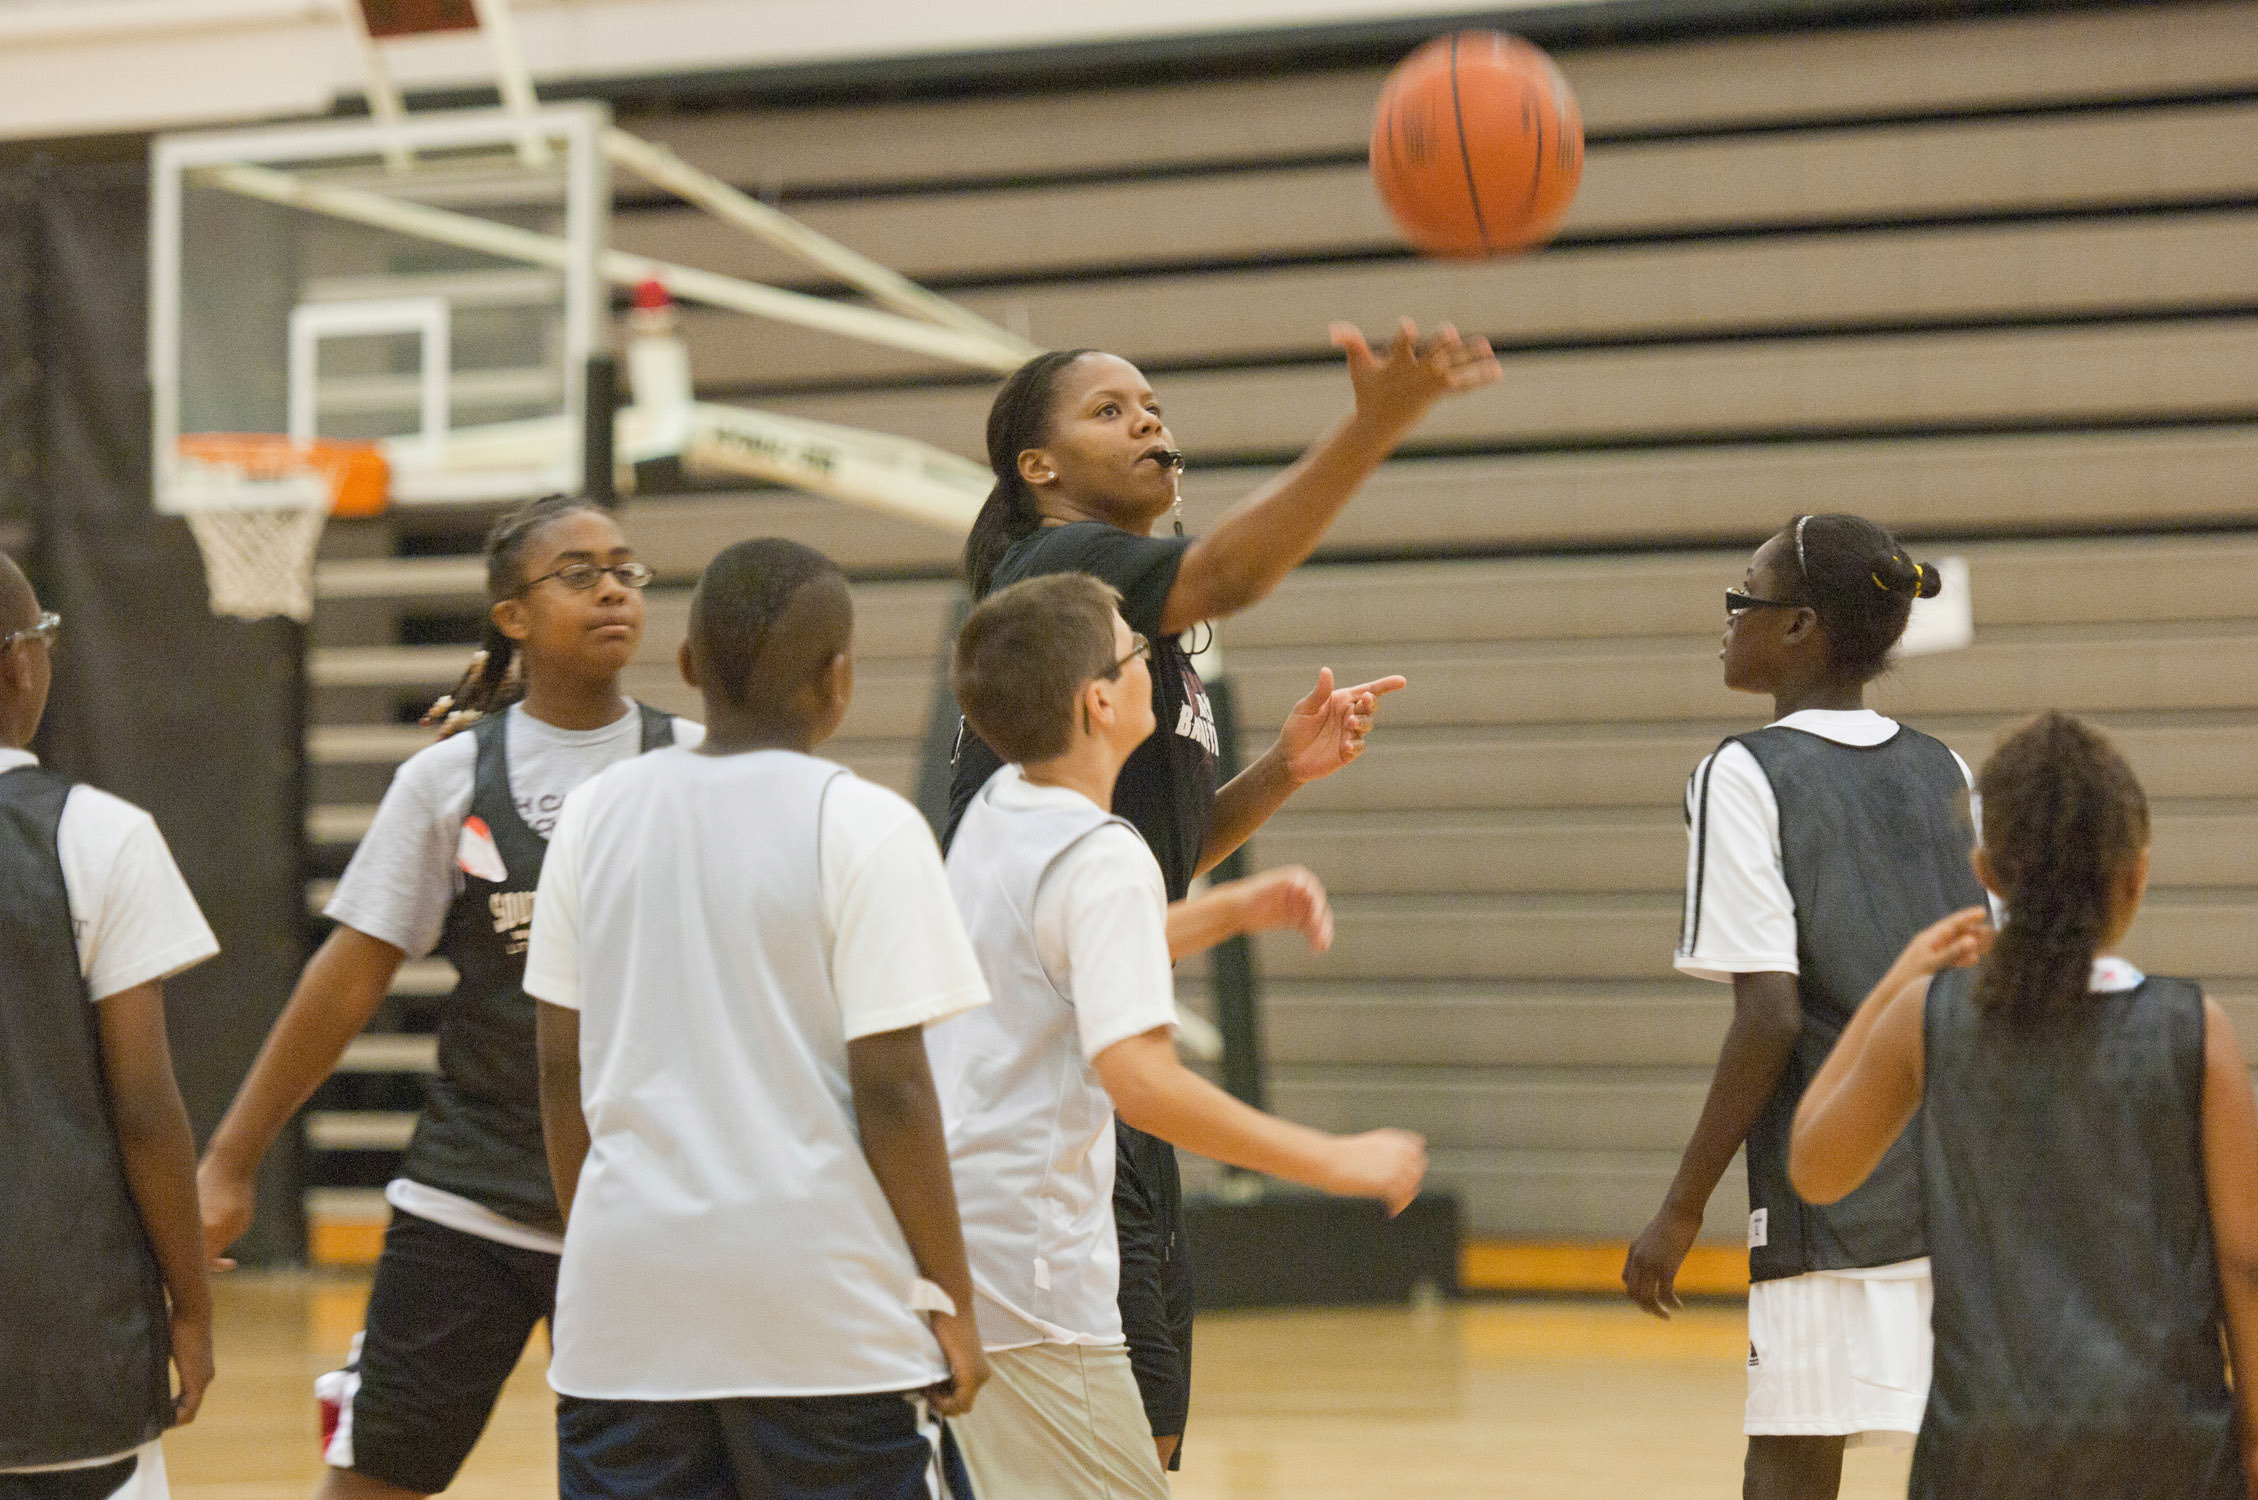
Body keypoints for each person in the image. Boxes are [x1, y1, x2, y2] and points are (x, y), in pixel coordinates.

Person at [944, 321, 1499, 1466]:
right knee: (1117, 1452)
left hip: (1064, 1119)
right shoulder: (1065, 580)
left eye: (1150, 401)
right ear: (1034, 471)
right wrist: (1374, 422)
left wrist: (1279, 775)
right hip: (1042, 1135)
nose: (1148, 420)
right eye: (1108, 410)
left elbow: (1128, 872)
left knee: (1134, 1444)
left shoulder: (1127, 649)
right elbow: (1235, 572)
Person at [197, 496, 694, 1500]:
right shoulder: (450, 777)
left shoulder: (694, 762)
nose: (610, 586)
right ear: (510, 615)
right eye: (577, 571)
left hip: (651, 1201)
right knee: (378, 1477)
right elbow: (345, 979)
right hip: (474, 1195)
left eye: (625, 568)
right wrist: (229, 1159)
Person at [935, 572, 1427, 1499]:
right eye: (1134, 649)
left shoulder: (999, 817)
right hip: (1035, 1284)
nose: (1154, 663)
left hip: (963, 1253)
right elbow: (1143, 1083)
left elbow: (1064, 955)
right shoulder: (1103, 850)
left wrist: (1227, 910)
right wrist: (1334, 1161)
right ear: (1100, 699)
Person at [528, 538, 990, 1499]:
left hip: (628, 1319)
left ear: (689, 667)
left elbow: (558, 1072)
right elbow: (896, 1091)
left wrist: (611, 1249)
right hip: (826, 1326)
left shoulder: (593, 815)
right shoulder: (865, 826)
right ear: (840, 681)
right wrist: (952, 1296)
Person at [1790, 712, 2258, 1498]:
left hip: (1984, 1449)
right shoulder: (2195, 1032)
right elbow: (2246, 1261)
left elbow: (1813, 1167)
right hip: (2164, 1441)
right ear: (2135, 874)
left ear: (1989, 873)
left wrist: (1894, 985)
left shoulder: (1926, 1018)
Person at [1622, 513, 1984, 1499]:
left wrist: (1679, 1205)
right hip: (1959, 1188)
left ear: (1798, 628)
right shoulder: (1945, 769)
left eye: (1745, 595)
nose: (1728, 616)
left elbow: (1769, 1016)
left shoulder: (1743, 774)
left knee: (1787, 1464)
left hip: (1825, 1188)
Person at [0, 553, 218, 1499]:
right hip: (65, 1332)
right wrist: (195, 1306)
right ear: (20, 664)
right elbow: (143, 1108)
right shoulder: (99, 834)